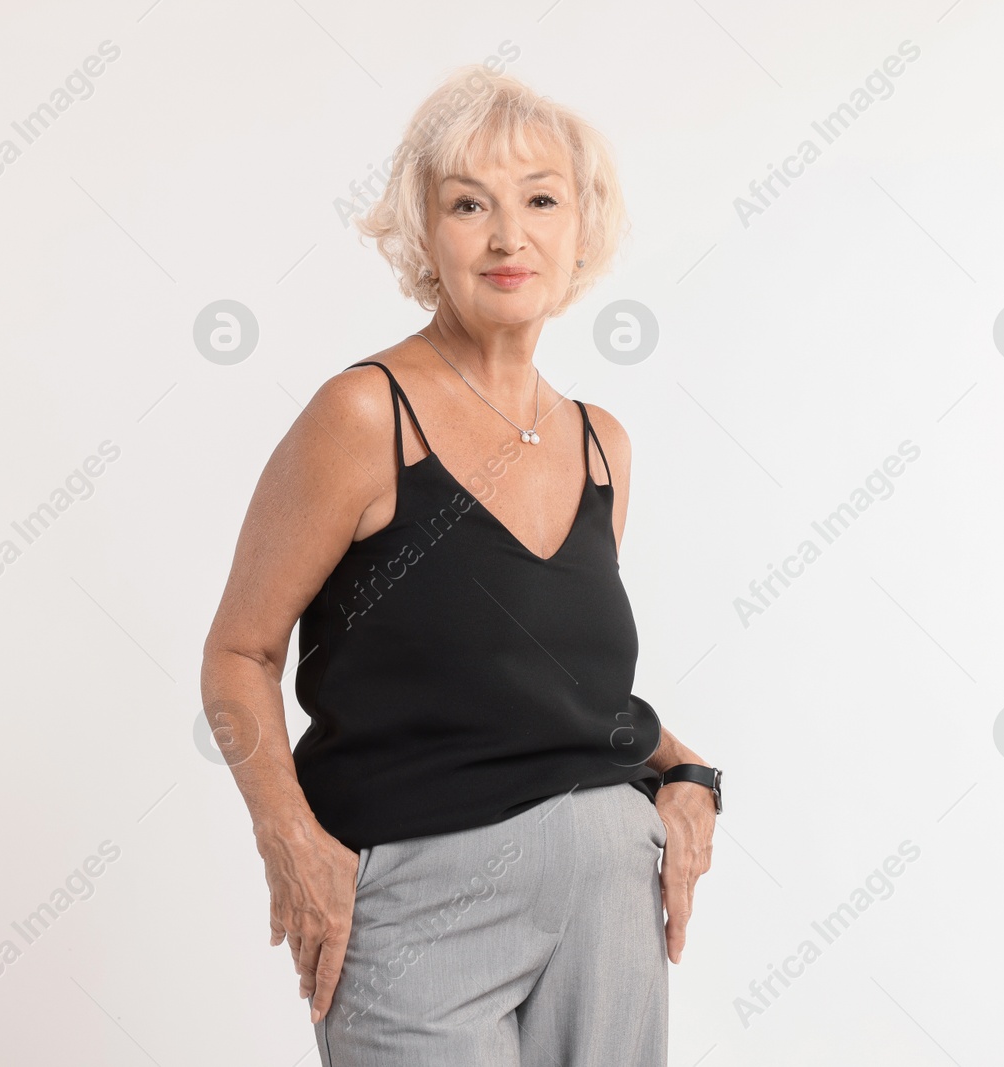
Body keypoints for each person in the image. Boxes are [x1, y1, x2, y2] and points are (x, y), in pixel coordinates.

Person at [200, 62, 720, 1065]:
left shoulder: (599, 441)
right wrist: (293, 843)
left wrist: (688, 770)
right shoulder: (362, 418)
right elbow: (238, 653)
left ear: (581, 229)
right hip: (419, 900)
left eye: (539, 200)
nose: (506, 235)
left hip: (612, 885)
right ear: (424, 234)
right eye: (468, 203)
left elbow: (540, 689)